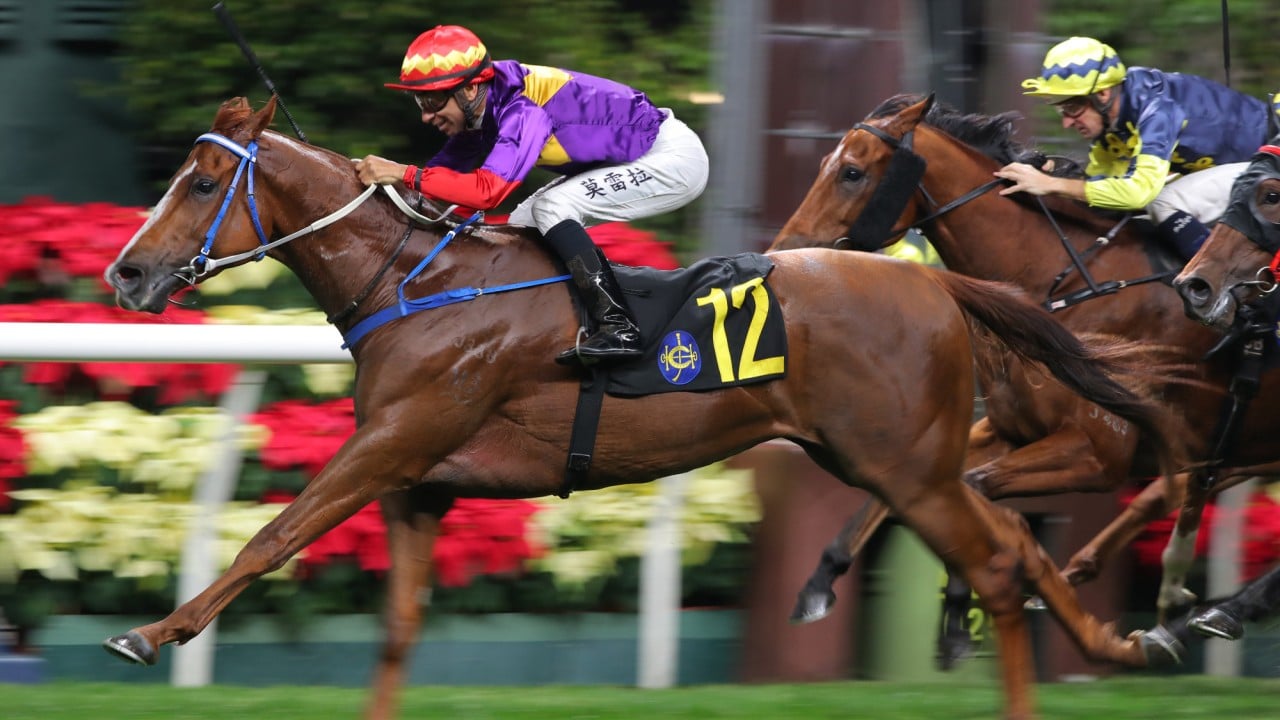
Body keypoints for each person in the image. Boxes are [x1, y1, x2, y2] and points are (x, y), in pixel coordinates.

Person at [355, 25, 709, 367]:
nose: (425, 116)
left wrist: (404, 173)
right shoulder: (483, 109)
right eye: (419, 100)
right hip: (637, 155)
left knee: (553, 207)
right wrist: (368, 184)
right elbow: (433, 186)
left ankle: (620, 327)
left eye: (432, 100)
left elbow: (486, 192)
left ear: (469, 89)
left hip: (671, 158)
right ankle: (548, 326)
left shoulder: (523, 109)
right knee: (521, 224)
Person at [994, 36, 1279, 260]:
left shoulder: (1157, 110)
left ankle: (1236, 298)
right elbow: (1103, 186)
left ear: (1103, 94)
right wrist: (1055, 171)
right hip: (1251, 170)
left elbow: (1138, 192)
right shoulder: (1113, 125)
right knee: (1140, 215)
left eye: (1072, 107)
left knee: (1162, 202)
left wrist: (1051, 184)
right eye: (1062, 111)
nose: (1068, 122)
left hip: (1270, 162)